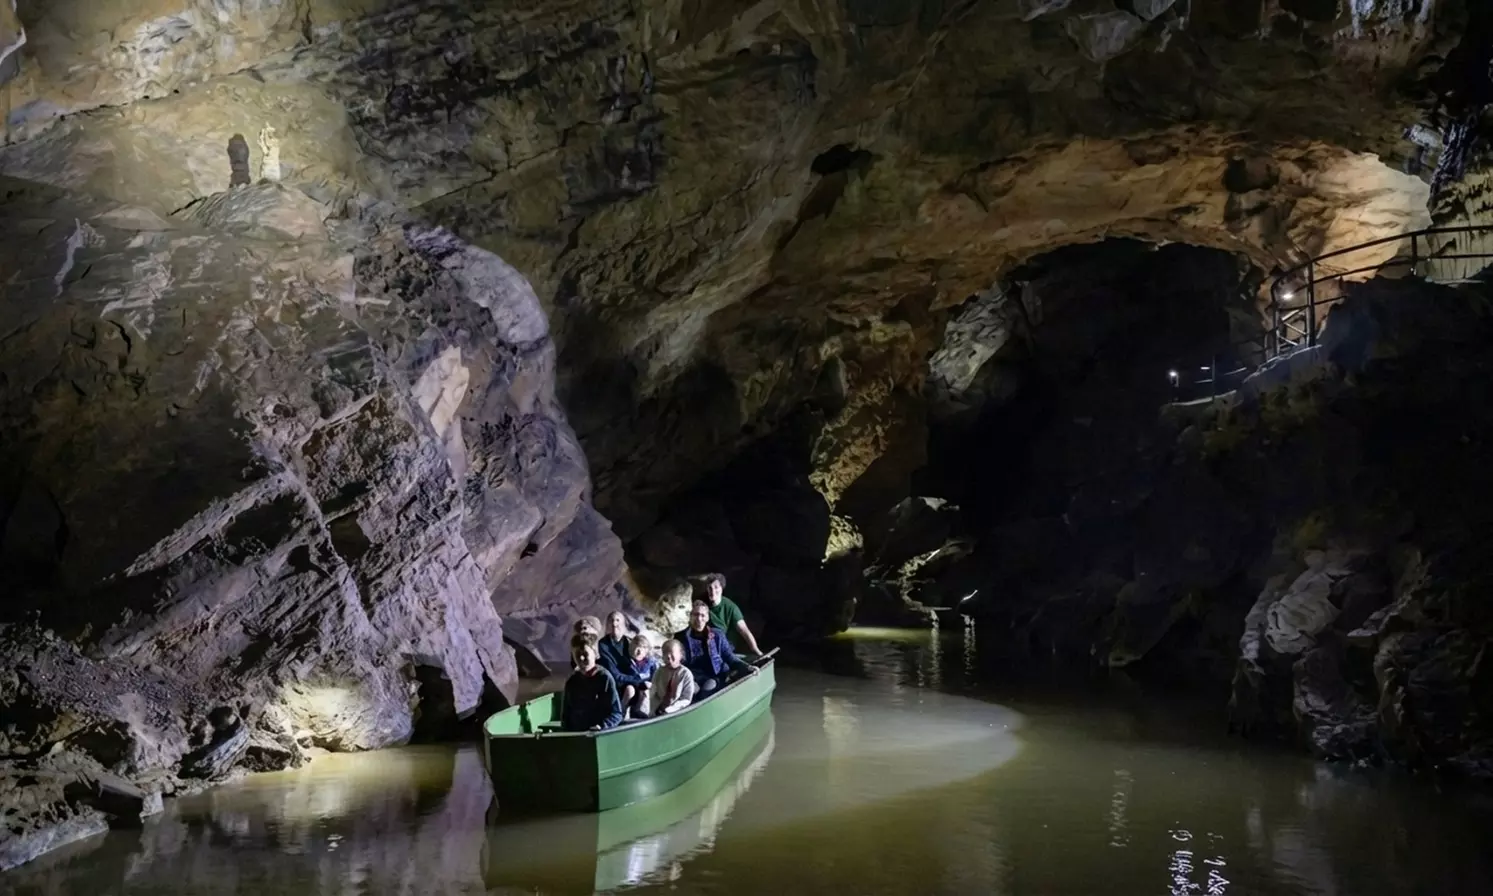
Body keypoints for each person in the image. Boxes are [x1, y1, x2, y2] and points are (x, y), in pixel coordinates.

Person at [674, 600, 757, 699]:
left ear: (707, 618)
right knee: (688, 693)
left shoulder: (717, 635)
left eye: (703, 615)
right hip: (693, 676)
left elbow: (729, 657)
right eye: (696, 615)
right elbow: (677, 663)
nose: (699, 619)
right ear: (690, 617)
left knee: (705, 694)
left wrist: (747, 667)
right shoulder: (681, 638)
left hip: (713, 676)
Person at [561, 634, 622, 732]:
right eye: (577, 655)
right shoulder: (572, 681)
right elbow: (566, 715)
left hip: (598, 733)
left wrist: (602, 726)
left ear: (595, 654)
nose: (581, 658)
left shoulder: (604, 678)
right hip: (577, 734)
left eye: (585, 654)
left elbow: (616, 713)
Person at [597, 610, 647, 715]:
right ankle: (620, 713)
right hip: (615, 680)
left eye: (617, 620)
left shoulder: (629, 642)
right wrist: (636, 679)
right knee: (629, 690)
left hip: (631, 678)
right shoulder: (603, 644)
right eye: (611, 621)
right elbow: (613, 672)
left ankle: (636, 711)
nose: (615, 624)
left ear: (624, 624)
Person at [703, 573, 763, 657]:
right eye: (710, 588)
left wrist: (756, 651)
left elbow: (744, 630)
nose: (713, 591)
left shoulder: (731, 607)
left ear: (721, 588)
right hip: (708, 642)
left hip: (726, 644)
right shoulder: (703, 605)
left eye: (716, 587)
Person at [649, 639, 697, 716]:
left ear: (680, 655)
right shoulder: (659, 672)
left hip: (677, 712)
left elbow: (686, 698)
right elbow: (653, 693)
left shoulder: (685, 674)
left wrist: (670, 709)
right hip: (659, 711)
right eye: (665, 653)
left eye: (671, 652)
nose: (668, 656)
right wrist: (653, 711)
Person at [626, 635, 660, 719]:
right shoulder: (626, 662)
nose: (639, 651)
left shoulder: (651, 662)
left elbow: (658, 677)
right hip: (633, 688)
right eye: (637, 647)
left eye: (643, 648)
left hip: (647, 690)